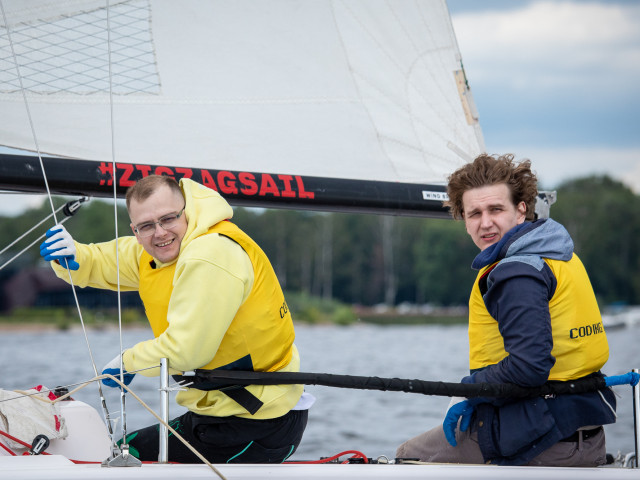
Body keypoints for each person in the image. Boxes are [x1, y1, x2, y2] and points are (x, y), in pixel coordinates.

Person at [40, 174, 312, 463]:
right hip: (219, 412)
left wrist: (128, 362)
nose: (159, 233)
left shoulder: (210, 254)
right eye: (146, 226)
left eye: (168, 219)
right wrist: (71, 256)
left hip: (259, 420)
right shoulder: (159, 249)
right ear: (135, 229)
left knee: (123, 456)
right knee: (119, 450)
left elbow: (187, 350)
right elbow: (105, 260)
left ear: (186, 212)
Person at [396, 153, 617, 466]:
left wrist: (469, 390)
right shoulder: (558, 253)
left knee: (408, 458)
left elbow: (529, 367)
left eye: (496, 209)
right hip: (582, 430)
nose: (485, 223)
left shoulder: (517, 271)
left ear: (521, 210)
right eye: (474, 213)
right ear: (463, 219)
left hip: (543, 437)